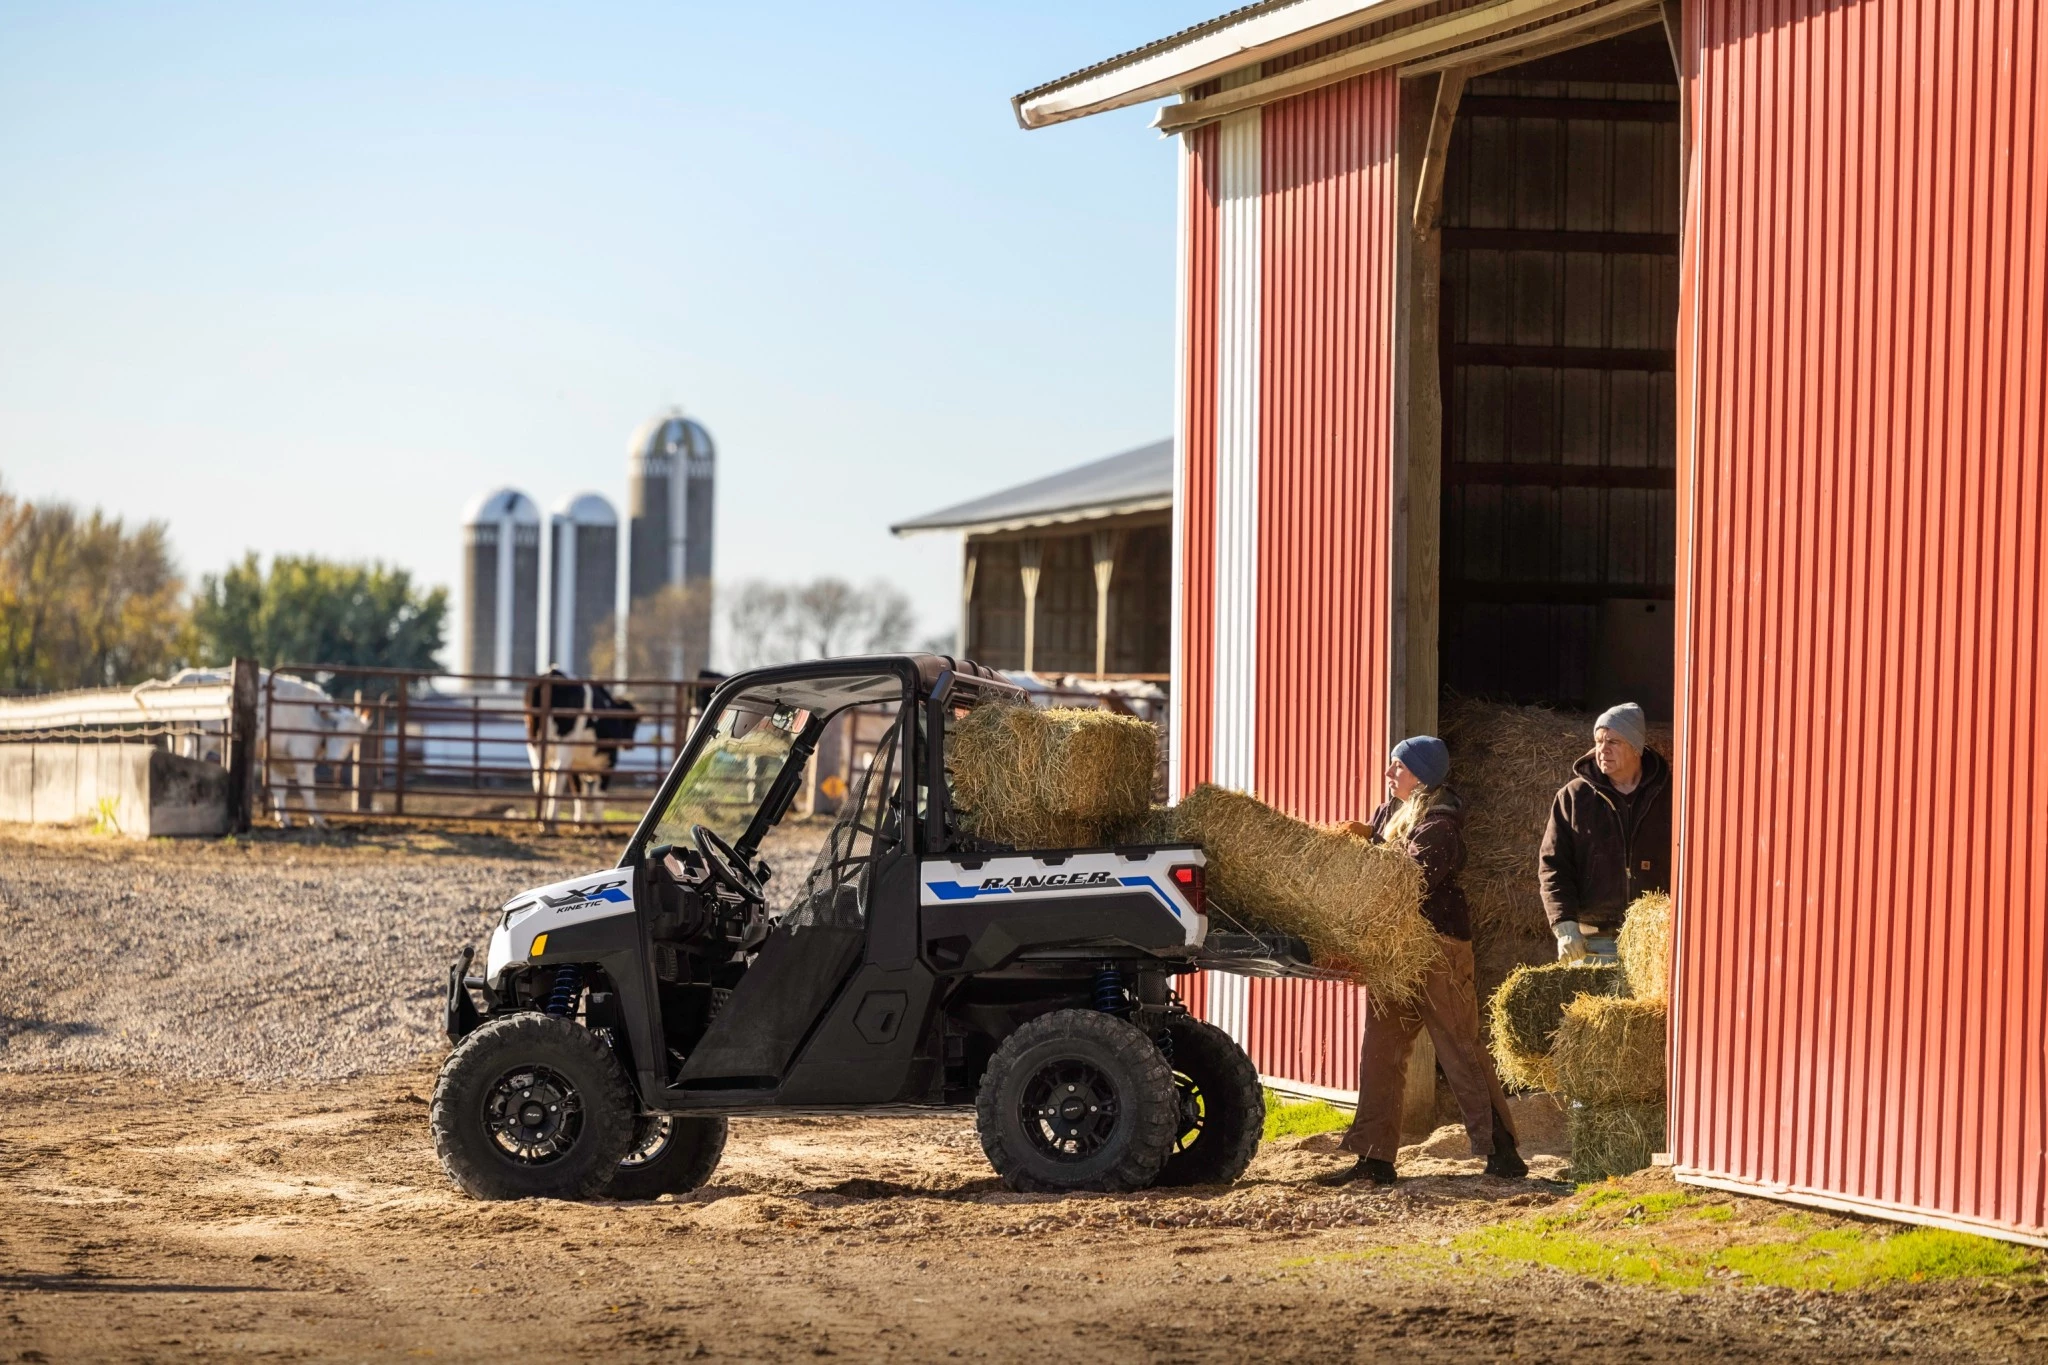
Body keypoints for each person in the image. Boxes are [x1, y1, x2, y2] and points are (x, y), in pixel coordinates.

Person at [1321, 735, 1526, 1186]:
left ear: (1421, 775)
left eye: (1398, 766)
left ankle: (1502, 1151)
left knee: (1459, 1047)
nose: (1389, 772)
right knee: (1381, 1050)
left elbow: (1406, 881)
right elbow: (1375, 856)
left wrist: (1363, 859)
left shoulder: (1440, 824)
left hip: (1438, 947)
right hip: (1395, 950)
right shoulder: (1388, 814)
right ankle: (1374, 1158)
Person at [1539, 702, 1673, 963]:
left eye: (1613, 741)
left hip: (1657, 941)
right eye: (1599, 741)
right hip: (1593, 942)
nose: (1603, 750)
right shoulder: (1573, 797)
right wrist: (1565, 927)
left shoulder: (1671, 796)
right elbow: (1553, 867)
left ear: (1636, 747)